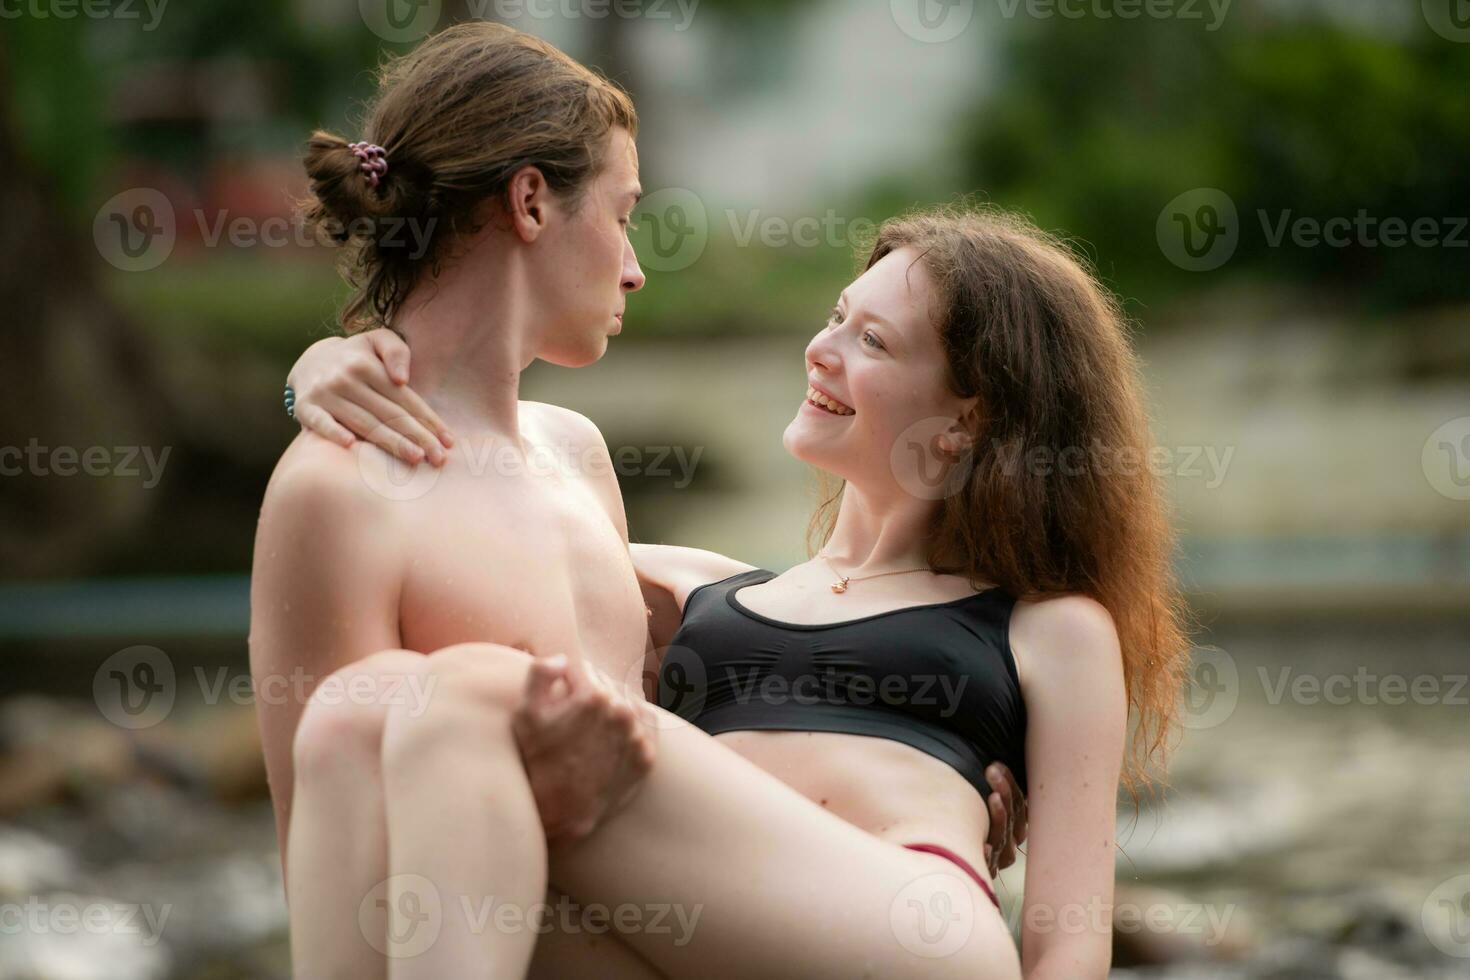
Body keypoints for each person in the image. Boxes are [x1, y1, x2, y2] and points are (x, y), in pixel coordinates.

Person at [260, 21, 1190, 980]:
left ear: (969, 418)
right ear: (530, 203)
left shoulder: (1046, 628)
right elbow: (357, 799)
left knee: (470, 689)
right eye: (835, 319)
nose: (636, 265)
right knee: (346, 717)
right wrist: (313, 376)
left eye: (873, 342)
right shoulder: (707, 592)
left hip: (905, 917)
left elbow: (1071, 929)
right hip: (665, 925)